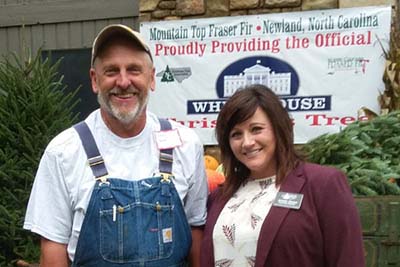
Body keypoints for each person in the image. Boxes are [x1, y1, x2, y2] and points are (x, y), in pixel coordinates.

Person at [23, 24, 208, 267]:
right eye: (111, 71)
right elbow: (53, 248)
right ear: (94, 80)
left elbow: (196, 232)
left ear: (151, 78)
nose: (123, 81)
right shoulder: (63, 151)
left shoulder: (185, 144)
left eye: (134, 70)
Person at [200, 84, 365, 267]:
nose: (247, 142)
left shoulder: (323, 185)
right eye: (236, 134)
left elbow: (347, 259)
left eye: (256, 129)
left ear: (278, 128)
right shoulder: (218, 198)